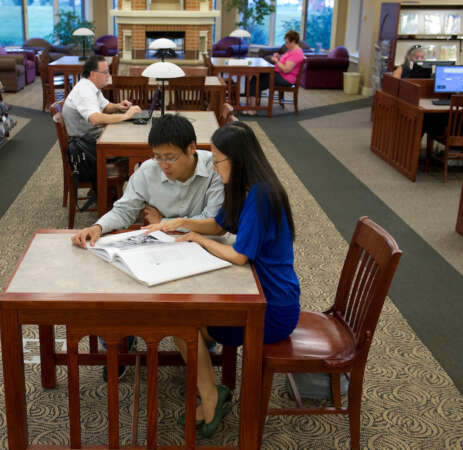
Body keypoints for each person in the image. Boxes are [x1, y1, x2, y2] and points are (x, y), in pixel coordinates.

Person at [142, 122, 301, 437]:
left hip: (272, 307)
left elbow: (240, 255)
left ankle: (212, 396)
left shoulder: (261, 195)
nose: (213, 169)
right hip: (259, 290)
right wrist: (182, 223)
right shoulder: (246, 187)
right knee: (188, 322)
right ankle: (211, 389)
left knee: (183, 326)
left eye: (218, 161)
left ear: (238, 160)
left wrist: (195, 239)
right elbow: (219, 224)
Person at [71, 113, 225, 380]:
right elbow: (124, 210)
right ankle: (119, 342)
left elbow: (215, 222)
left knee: (196, 297)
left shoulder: (214, 168)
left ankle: (202, 339)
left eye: (171, 157)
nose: (164, 164)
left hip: (201, 250)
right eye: (158, 156)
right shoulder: (148, 170)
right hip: (158, 248)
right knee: (120, 285)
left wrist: (164, 222)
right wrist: (97, 227)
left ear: (192, 148)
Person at [62, 55, 141, 184]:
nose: (108, 76)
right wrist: (126, 116)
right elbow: (95, 119)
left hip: (93, 137)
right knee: (133, 146)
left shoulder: (92, 88)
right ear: (92, 74)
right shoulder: (84, 91)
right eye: (105, 72)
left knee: (131, 137)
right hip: (88, 144)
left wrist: (118, 106)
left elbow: (105, 107)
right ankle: (111, 188)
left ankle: (115, 188)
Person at [246, 30, 306, 115]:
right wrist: (279, 57)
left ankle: (253, 108)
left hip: (286, 79)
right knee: (256, 77)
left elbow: (286, 69)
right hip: (280, 75)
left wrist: (276, 61)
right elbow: (285, 61)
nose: (286, 44)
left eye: (287, 42)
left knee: (257, 80)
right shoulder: (291, 50)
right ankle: (253, 105)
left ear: (293, 42)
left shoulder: (296, 53)